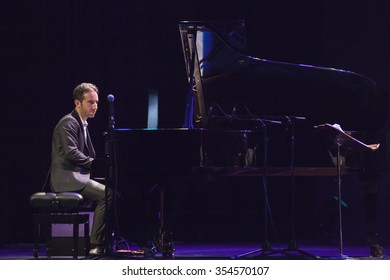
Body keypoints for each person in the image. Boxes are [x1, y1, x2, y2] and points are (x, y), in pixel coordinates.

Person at [50, 82, 112, 256]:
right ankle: (95, 244)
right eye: (90, 102)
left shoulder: (82, 124)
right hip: (67, 179)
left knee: (113, 190)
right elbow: (71, 153)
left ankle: (107, 240)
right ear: (78, 103)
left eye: (97, 102)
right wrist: (94, 163)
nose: (95, 106)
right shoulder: (68, 123)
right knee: (107, 194)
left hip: (78, 176)